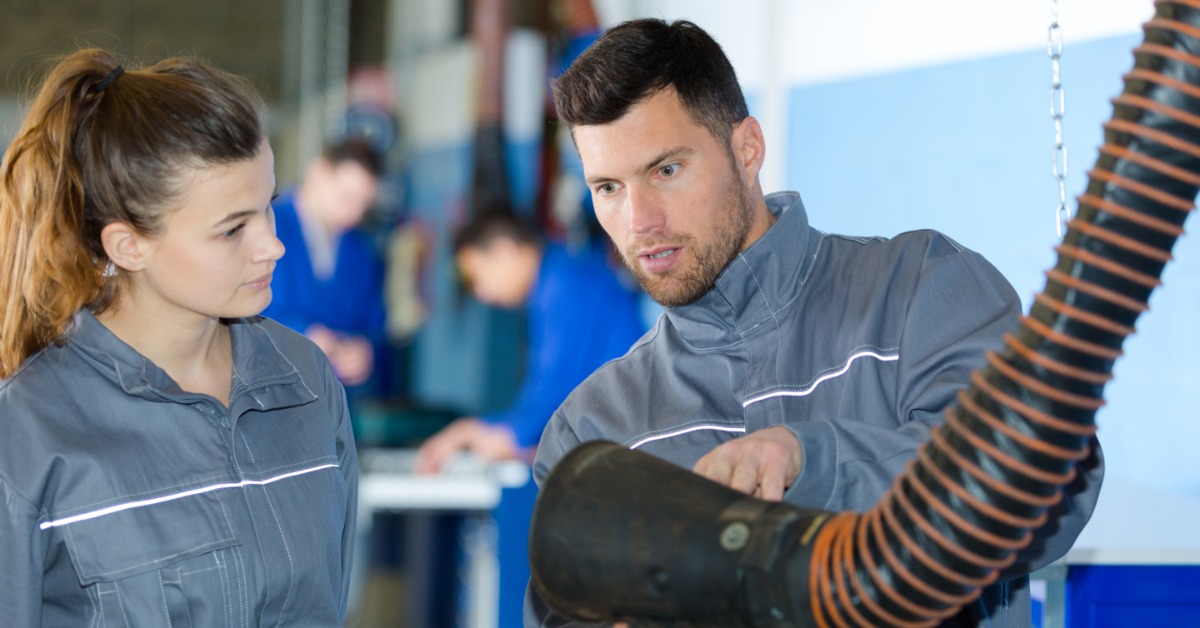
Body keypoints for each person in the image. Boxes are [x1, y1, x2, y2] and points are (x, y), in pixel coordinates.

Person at [526, 18, 1103, 627]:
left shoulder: (919, 293)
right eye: (609, 187)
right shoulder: (593, 436)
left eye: (666, 170)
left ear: (746, 148)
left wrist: (814, 462)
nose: (639, 219)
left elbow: (1048, 481)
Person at [0, 49, 357, 625]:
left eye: (267, 207)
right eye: (233, 228)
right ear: (128, 246)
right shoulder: (26, 436)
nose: (272, 245)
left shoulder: (307, 383)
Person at [414, 209, 646, 473]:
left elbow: (553, 392)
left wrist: (508, 435)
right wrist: (471, 432)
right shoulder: (557, 276)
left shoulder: (561, 285)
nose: (482, 295)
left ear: (504, 251)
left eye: (477, 278)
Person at [262, 139, 387, 390]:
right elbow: (234, 315)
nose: (354, 213)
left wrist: (365, 351)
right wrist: (300, 337)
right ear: (318, 173)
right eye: (347, 196)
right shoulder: (266, 226)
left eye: (364, 204)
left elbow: (373, 323)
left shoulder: (360, 251)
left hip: (330, 402)